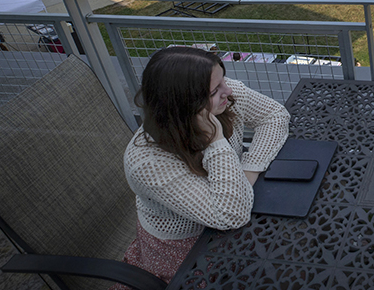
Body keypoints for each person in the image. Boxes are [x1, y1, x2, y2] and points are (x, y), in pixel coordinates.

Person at [118, 47, 289, 284]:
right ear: (183, 104)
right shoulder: (147, 163)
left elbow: (274, 116)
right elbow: (232, 214)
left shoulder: (224, 98)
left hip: (238, 213)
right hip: (187, 249)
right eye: (215, 90)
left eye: (223, 80)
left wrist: (248, 171)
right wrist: (215, 140)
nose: (228, 91)